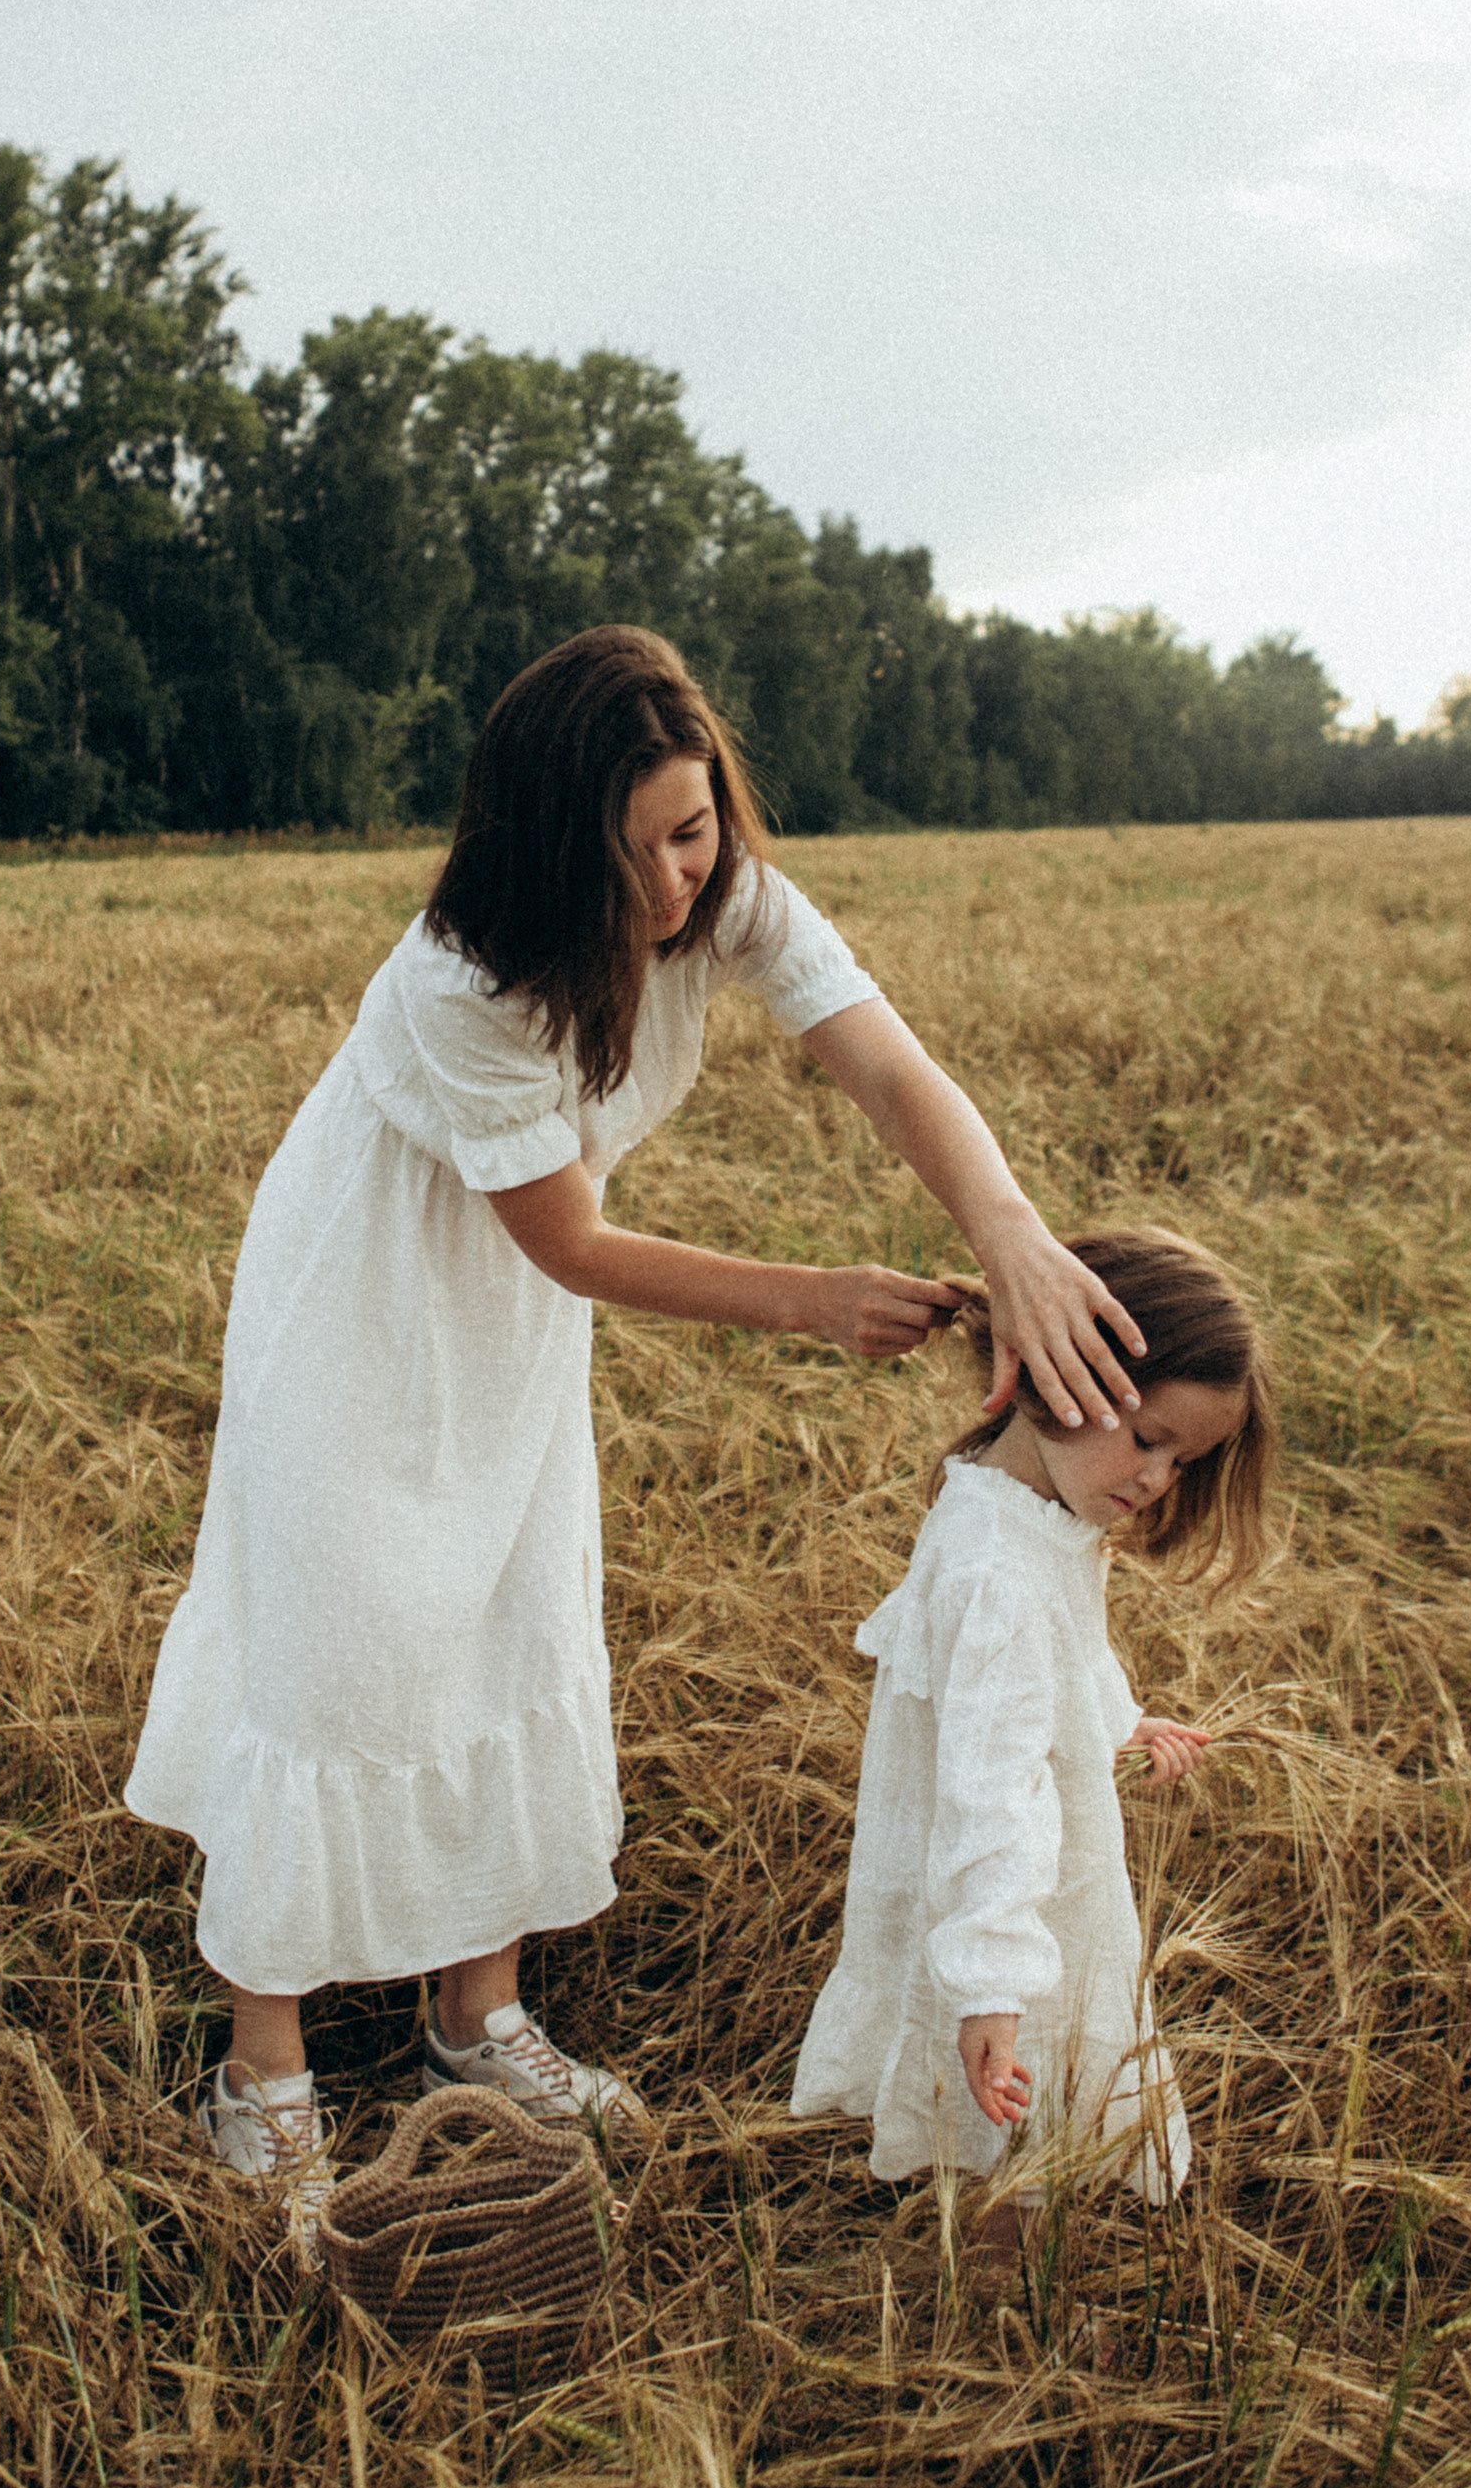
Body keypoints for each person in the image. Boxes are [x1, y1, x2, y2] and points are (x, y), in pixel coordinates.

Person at [125, 625, 1149, 2215]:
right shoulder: (465, 982)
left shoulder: (724, 883)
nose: (678, 883)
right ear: (549, 853)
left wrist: (1011, 1234)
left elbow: (886, 1069)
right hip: (364, 1298)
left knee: (508, 1612)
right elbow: (573, 1242)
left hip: (504, 1318)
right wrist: (816, 1299)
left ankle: (478, 2017)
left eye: (692, 830)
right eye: (635, 857)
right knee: (342, 1644)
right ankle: (264, 2072)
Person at [790, 1225, 1275, 2210]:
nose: (1152, 1481)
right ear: (1057, 1371)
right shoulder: (994, 1568)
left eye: (1180, 1462)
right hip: (1002, 1891)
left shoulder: (1020, 1512)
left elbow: (1059, 1657)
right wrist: (992, 1981)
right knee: (1004, 2120)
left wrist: (1117, 1721)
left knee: (1014, 2120)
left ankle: (1006, 2268)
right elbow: (991, 1786)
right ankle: (1002, 2303)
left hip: (1018, 1873)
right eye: (1147, 1439)